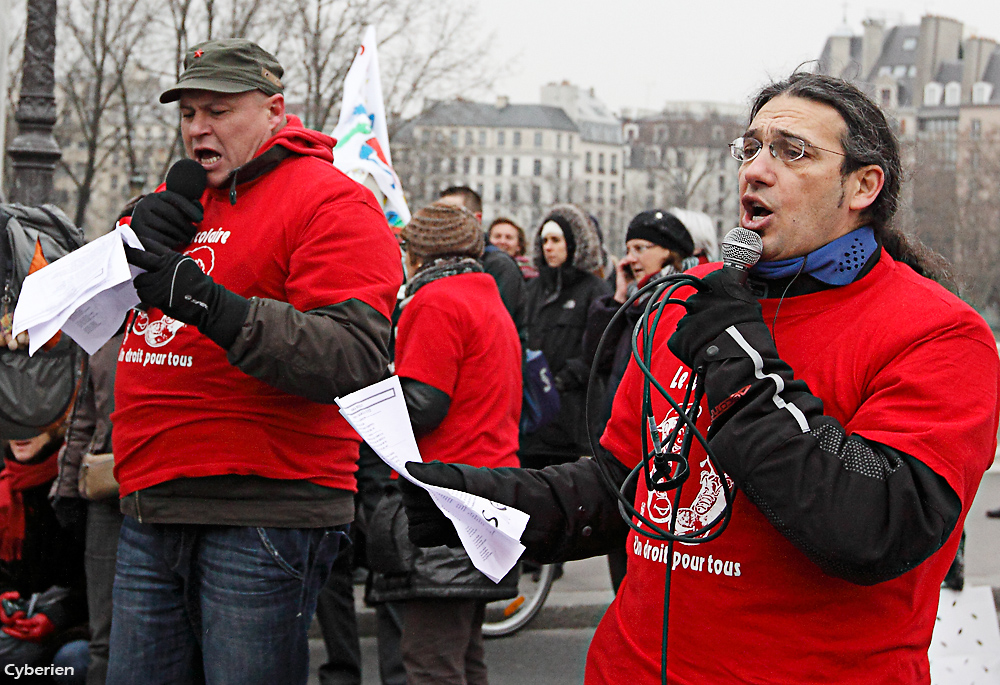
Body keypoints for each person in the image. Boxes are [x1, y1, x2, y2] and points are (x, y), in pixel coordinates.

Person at [397, 72, 1000, 684]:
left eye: (793, 152)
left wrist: (743, 368)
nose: (756, 170)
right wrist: (490, 502)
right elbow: (627, 487)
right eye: (752, 148)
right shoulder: (693, 307)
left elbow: (876, 519)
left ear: (863, 186)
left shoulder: (938, 334)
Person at [109, 39, 402, 684]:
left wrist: (213, 306)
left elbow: (353, 354)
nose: (197, 129)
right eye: (188, 114)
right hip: (151, 500)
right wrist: (119, 245)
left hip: (264, 506)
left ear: (274, 110)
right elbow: (117, 329)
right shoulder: (174, 203)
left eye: (217, 110)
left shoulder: (333, 201)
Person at [366, 202, 521, 685]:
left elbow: (424, 405)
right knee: (464, 653)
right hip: (486, 490)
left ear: (418, 255)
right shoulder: (485, 297)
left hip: (444, 499)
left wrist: (366, 397)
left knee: (430, 661)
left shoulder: (435, 300)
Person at [584, 209, 694, 591]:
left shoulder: (682, 297)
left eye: (641, 248)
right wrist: (617, 296)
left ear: (671, 253)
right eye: (628, 248)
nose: (630, 258)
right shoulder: (635, 300)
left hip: (659, 454)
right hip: (622, 447)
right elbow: (595, 361)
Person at [53, 330, 125, 685]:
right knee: (105, 638)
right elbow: (84, 415)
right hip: (106, 494)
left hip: (169, 493)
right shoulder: (104, 331)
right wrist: (67, 489)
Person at [519, 204, 611, 470]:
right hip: (532, 425)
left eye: (556, 240)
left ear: (574, 244)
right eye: (545, 240)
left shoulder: (595, 290)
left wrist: (562, 380)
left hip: (572, 424)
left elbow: (598, 352)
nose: (549, 247)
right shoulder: (532, 289)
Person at [0, 423, 88, 683]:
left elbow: (98, 579)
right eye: (11, 422)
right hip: (18, 624)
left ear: (57, 424)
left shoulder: (76, 486)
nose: (21, 433)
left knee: (73, 663)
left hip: (73, 626)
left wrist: (56, 616)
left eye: (32, 423)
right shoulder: (5, 488)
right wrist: (4, 599)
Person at [437, 187, 527, 338]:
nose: (441, 222)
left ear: (476, 219)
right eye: (438, 215)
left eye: (450, 215)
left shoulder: (499, 266)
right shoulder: (441, 262)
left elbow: (493, 332)